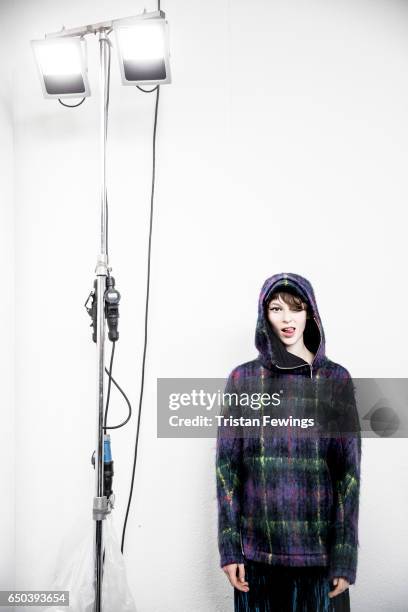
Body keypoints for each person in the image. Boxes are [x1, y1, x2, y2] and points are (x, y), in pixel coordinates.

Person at [215, 272, 361, 612]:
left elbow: (348, 474)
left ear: (310, 313)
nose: (286, 318)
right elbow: (227, 469)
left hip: (319, 557)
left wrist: (345, 554)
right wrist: (230, 548)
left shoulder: (335, 380)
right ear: (263, 315)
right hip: (257, 558)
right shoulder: (243, 379)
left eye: (295, 308)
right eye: (276, 309)